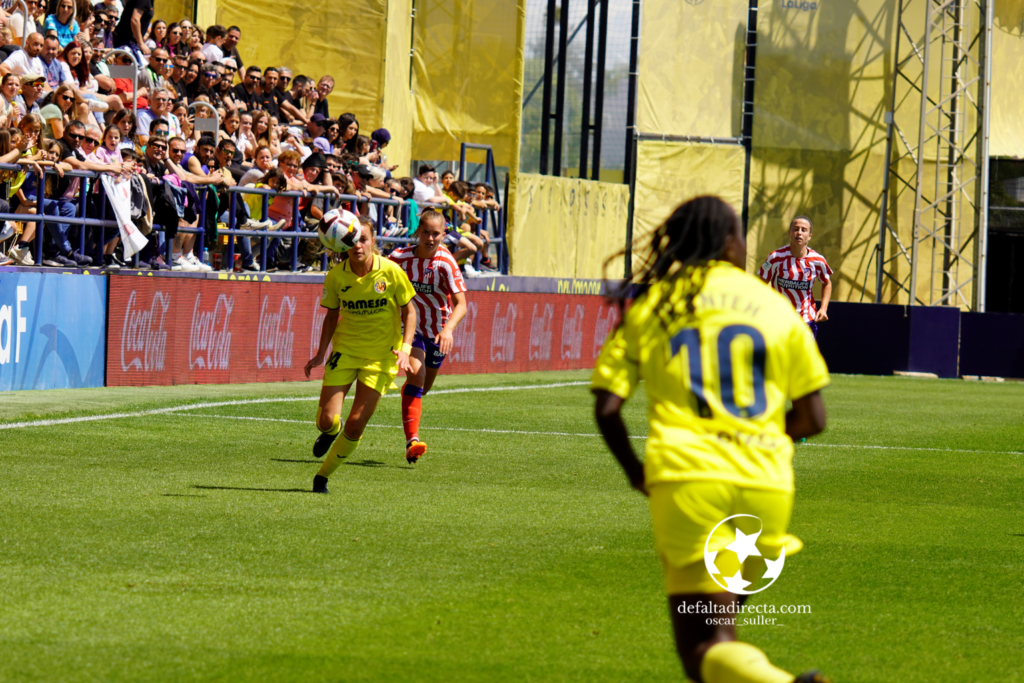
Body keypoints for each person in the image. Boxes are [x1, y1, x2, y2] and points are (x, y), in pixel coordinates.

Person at [591, 195, 831, 683]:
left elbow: (607, 407)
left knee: (705, 644)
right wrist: (758, 437)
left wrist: (637, 473)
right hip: (766, 485)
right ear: (730, 242)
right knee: (723, 630)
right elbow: (813, 418)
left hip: (688, 481)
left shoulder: (658, 302)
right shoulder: (772, 305)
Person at [305, 216, 417, 493]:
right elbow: (331, 316)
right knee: (326, 421)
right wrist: (321, 352)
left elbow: (410, 311)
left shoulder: (390, 272)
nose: (358, 246)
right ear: (342, 244)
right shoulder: (335, 276)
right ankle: (331, 432)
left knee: (356, 425)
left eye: (363, 239)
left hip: (380, 358)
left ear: (373, 242)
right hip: (345, 352)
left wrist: (404, 349)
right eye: (353, 241)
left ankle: (322, 477)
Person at [388, 209, 468, 463]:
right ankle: (412, 441)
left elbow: (462, 304)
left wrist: (448, 329)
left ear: (443, 235)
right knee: (417, 374)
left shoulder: (446, 262)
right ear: (417, 232)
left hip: (437, 332)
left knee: (423, 386)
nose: (431, 238)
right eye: (426, 232)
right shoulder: (398, 258)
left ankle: (409, 393)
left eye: (436, 234)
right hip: (409, 329)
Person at [757, 216, 833, 338]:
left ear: (810, 236)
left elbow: (827, 283)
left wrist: (823, 309)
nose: (799, 233)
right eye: (795, 229)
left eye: (804, 230)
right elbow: (760, 283)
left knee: (801, 357)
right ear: (789, 233)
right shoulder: (775, 257)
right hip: (778, 320)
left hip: (806, 321)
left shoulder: (818, 260)